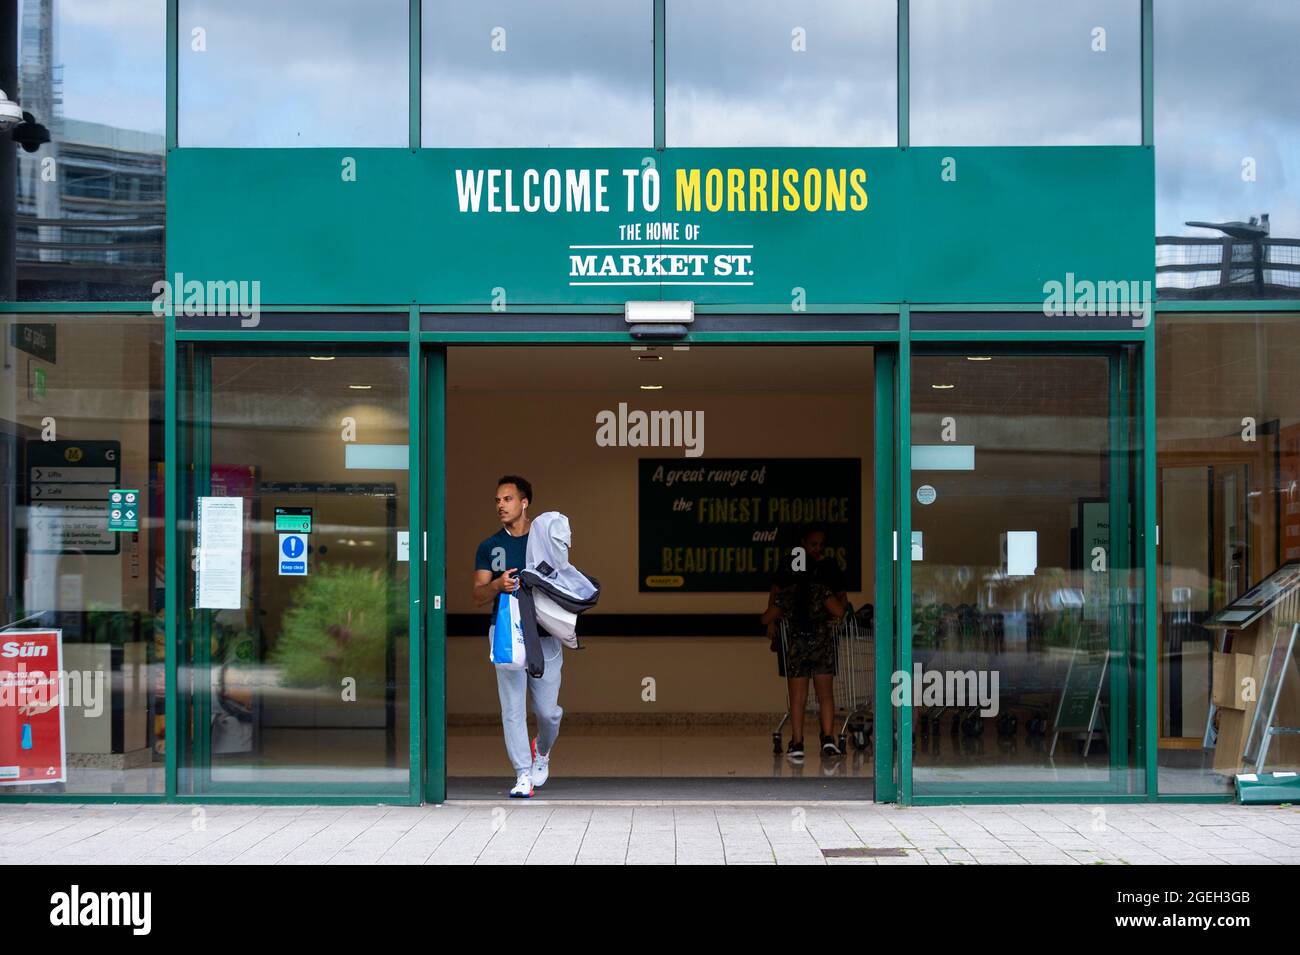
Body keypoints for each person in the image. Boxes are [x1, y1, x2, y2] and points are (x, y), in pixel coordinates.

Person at [471, 475, 563, 798]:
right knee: (512, 707)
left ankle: (543, 749)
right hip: (506, 633)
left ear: (524, 503)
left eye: (507, 499)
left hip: (545, 634)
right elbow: (478, 594)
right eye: (497, 500)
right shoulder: (488, 546)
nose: (500, 505)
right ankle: (523, 772)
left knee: (548, 711)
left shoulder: (545, 542)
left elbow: (564, 582)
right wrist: (498, 585)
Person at [762, 526, 847, 759]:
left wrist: (777, 616)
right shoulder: (821, 590)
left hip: (797, 648)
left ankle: (797, 743)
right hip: (822, 647)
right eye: (814, 545)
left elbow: (765, 616)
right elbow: (840, 610)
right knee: (825, 696)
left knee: (798, 699)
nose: (818, 549)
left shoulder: (787, 594)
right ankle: (828, 739)